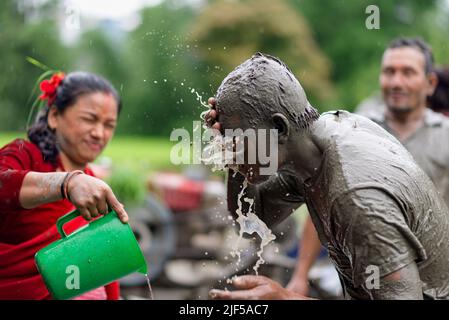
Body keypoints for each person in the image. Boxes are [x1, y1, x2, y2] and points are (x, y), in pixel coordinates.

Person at [205, 52, 449, 299]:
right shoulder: (316, 142)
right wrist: (234, 162)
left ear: (279, 128)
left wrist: (287, 298)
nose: (230, 148)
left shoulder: (355, 196)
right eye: (228, 139)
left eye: (238, 137)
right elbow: (251, 220)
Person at [287, 38, 449, 297]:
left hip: (432, 281)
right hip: (366, 275)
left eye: (407, 72)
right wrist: (299, 276)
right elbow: (322, 204)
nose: (396, 82)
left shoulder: (445, 137)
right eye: (389, 72)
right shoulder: (353, 130)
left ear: (430, 83)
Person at [0, 71, 129, 300]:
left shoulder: (93, 185)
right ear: (54, 116)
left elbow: (104, 266)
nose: (99, 133)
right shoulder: (24, 155)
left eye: (109, 125)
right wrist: (67, 183)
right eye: (89, 119)